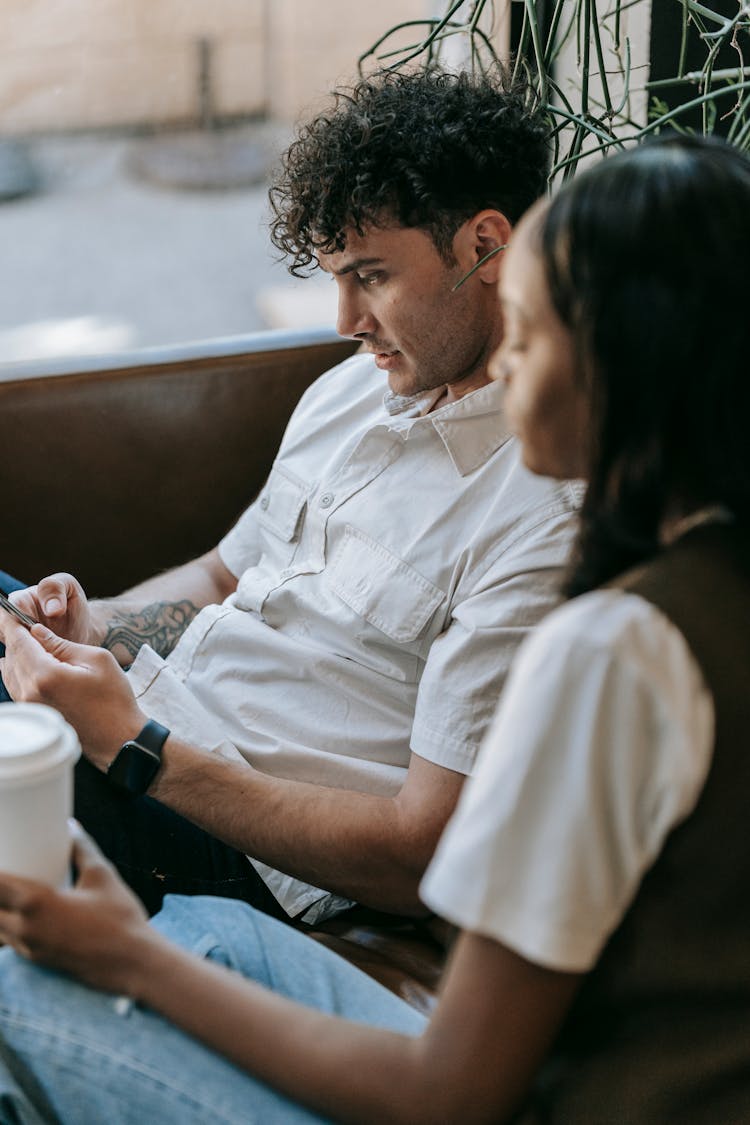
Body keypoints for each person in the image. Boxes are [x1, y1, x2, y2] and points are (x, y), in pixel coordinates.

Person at [1, 132, 749, 1124]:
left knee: (28, 995)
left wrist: (134, 766)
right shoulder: (682, 584)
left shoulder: (611, 638)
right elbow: (225, 574)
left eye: (529, 331)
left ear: (630, 358)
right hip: (161, 743)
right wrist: (99, 629)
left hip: (231, 828)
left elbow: (455, 1084)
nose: (507, 366)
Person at [0, 68, 581, 923]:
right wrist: (92, 628)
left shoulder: (542, 512)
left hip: (237, 848)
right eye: (335, 276)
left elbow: (425, 852)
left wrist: (132, 744)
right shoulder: (350, 392)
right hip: (145, 726)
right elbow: (218, 580)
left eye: (372, 275)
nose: (344, 318)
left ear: (485, 246)